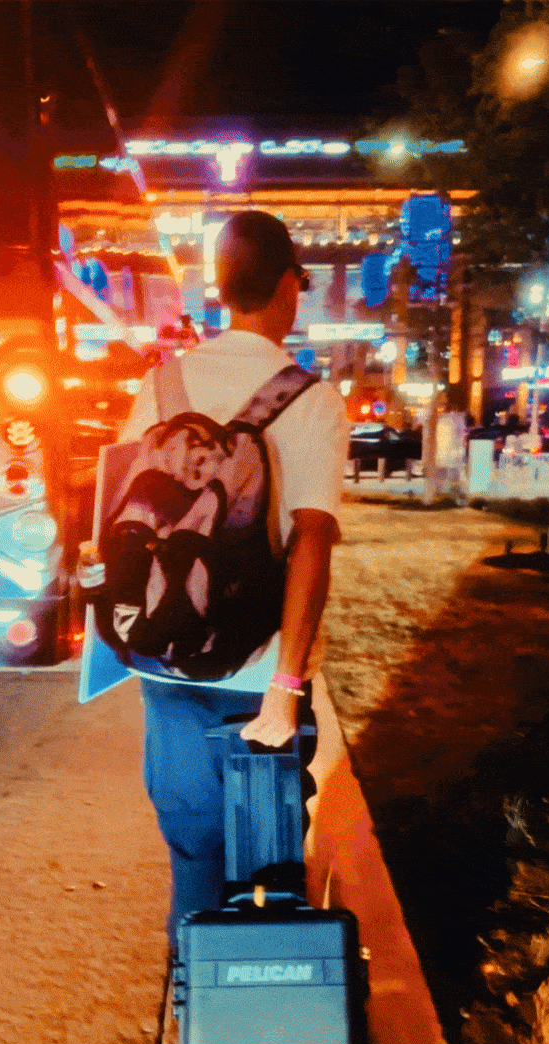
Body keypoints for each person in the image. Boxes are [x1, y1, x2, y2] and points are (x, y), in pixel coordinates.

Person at [117, 211, 349, 945]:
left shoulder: (160, 386)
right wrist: (286, 687)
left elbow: (122, 523)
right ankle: (261, 1000)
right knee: (268, 873)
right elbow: (311, 543)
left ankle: (194, 988)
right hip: (259, 678)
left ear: (219, 290)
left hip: (168, 663)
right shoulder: (311, 400)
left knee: (193, 856)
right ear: (289, 286)